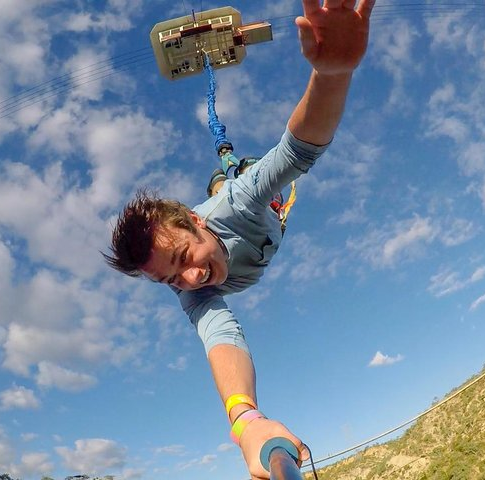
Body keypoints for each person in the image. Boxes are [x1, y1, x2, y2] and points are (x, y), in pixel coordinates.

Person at [105, 0, 374, 478]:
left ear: (197, 222)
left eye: (185, 256)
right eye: (171, 280)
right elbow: (220, 336)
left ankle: (225, 168)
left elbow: (296, 151)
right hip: (238, 208)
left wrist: (334, 74)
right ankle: (222, 169)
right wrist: (246, 419)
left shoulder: (236, 202)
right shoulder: (192, 294)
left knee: (243, 176)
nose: (191, 278)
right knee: (229, 180)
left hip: (254, 195)